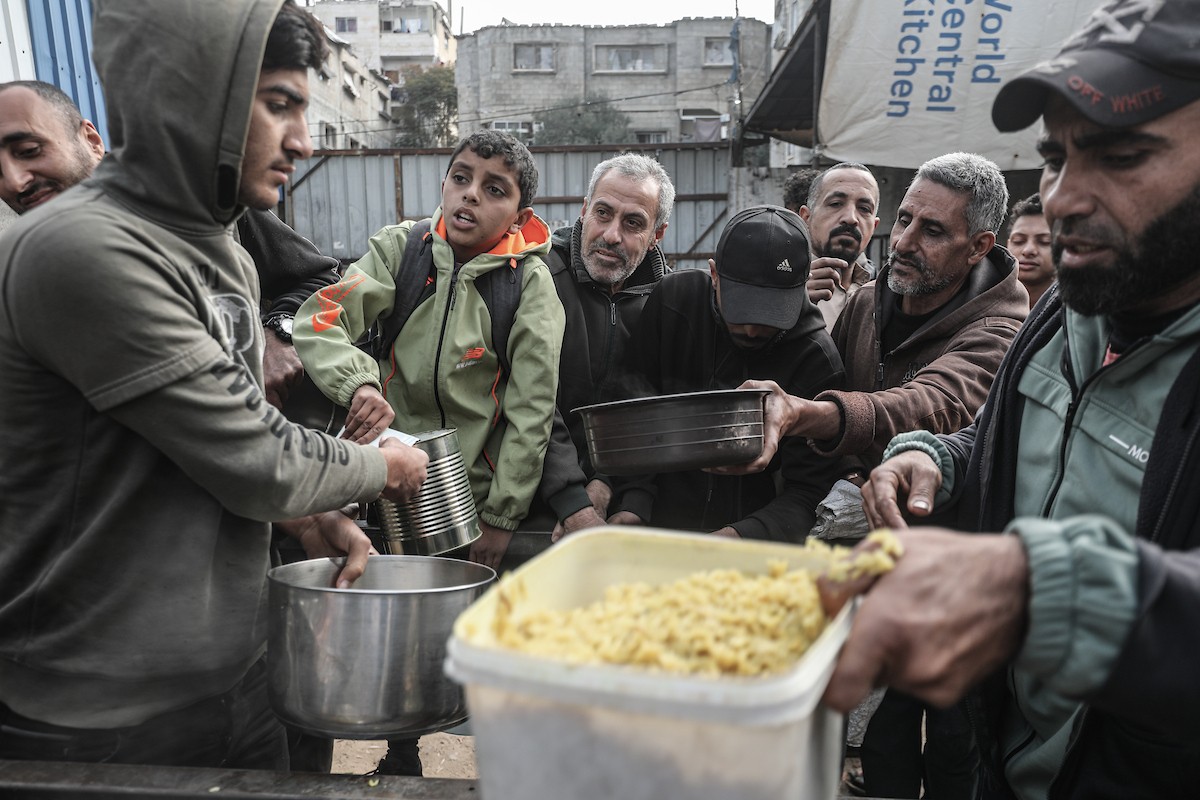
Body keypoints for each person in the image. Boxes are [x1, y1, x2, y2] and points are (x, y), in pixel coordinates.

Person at [750, 1, 1200, 797]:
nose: (1061, 198)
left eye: (1122, 156)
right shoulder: (1069, 312)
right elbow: (983, 434)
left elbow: (934, 395)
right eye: (1056, 158)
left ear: (979, 247)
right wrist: (927, 458)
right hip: (1011, 754)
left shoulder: (1010, 315)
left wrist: (1045, 588)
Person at [0, 0, 429, 772]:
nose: (301, 140)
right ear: (189, 94)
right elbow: (257, 459)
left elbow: (198, 447)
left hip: (232, 681)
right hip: (100, 715)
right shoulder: (81, 249)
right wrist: (384, 465)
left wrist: (306, 521)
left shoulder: (221, 248)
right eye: (278, 106)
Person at [293, 129, 560, 776]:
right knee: (392, 632)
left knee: (473, 647)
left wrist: (502, 516)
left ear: (519, 214)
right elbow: (318, 321)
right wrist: (356, 381)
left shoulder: (529, 287)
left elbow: (530, 411)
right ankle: (402, 751)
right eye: (461, 177)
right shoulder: (401, 251)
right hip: (384, 481)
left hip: (469, 499)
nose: (470, 196)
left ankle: (507, 769)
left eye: (494, 189)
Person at [0, 79, 342, 416]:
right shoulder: (25, 271)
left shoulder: (197, 197)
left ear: (91, 140)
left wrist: (277, 336)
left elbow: (319, 278)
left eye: (29, 152)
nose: (15, 182)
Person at [611, 205, 845, 541]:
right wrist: (633, 501)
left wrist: (740, 535)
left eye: (770, 315)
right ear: (715, 274)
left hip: (751, 541)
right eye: (740, 308)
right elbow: (634, 405)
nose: (751, 328)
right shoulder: (674, 301)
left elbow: (810, 490)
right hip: (652, 523)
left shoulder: (816, 358)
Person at [534, 152, 675, 545]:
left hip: (616, 514)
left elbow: (654, 410)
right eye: (603, 213)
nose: (612, 235)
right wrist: (575, 498)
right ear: (583, 211)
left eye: (633, 223)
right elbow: (526, 403)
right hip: (527, 510)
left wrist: (624, 491)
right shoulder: (538, 278)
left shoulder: (667, 302)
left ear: (656, 235)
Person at [798, 162, 881, 332]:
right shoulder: (776, 287)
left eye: (864, 208)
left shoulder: (886, 294)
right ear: (806, 217)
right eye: (836, 204)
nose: (851, 218)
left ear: (874, 226)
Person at [1005, 193, 1055, 308]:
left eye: (1045, 241)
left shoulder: (1074, 312)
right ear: (1008, 245)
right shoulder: (984, 303)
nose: (1028, 250)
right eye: (1018, 241)